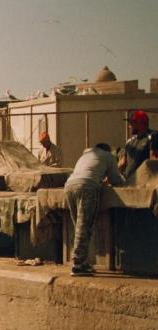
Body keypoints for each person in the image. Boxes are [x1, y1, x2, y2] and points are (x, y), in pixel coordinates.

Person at [64, 143, 125, 276]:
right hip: (87, 187)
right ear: (108, 150)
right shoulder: (108, 156)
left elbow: (88, 171)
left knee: (77, 226)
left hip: (69, 186)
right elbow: (116, 180)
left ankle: (82, 261)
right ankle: (78, 265)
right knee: (84, 226)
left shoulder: (85, 156)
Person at [120, 110, 158, 180]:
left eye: (131, 123)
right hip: (127, 183)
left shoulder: (153, 136)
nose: (129, 126)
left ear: (140, 123)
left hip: (143, 183)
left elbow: (154, 161)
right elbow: (123, 163)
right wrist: (110, 176)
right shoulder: (129, 141)